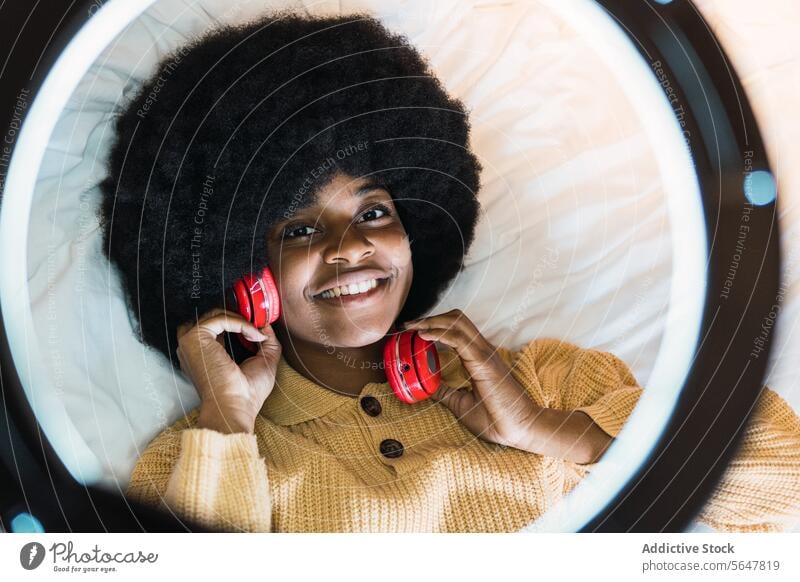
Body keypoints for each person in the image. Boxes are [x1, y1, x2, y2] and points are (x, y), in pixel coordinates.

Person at [99, 12, 800, 532]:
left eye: (372, 211)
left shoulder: (549, 379)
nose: (351, 248)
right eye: (302, 228)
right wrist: (227, 423)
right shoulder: (201, 456)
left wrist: (553, 432)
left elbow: (785, 484)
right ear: (246, 276)